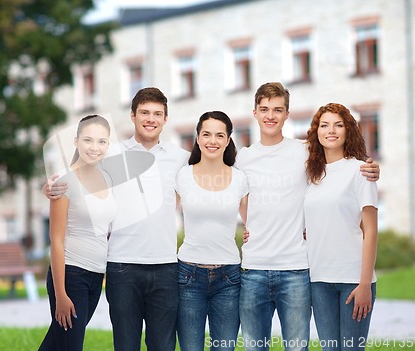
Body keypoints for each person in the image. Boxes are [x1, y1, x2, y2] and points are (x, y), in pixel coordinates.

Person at [236, 82, 379, 351]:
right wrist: (249, 222)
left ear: (287, 114)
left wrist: (372, 167)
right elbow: (232, 191)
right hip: (262, 269)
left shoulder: (305, 153)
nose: (270, 115)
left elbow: (343, 165)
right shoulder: (243, 158)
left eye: (278, 109)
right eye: (264, 109)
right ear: (254, 112)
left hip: (297, 269)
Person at [45, 87, 190, 351]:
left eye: (158, 114)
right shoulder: (109, 152)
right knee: (125, 345)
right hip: (122, 267)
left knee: (164, 345)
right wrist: (51, 186)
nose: (151, 119)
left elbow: (210, 180)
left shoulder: (180, 158)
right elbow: (75, 173)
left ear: (165, 119)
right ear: (133, 116)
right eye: (144, 112)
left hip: (166, 266)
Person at [38, 115, 117, 351]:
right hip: (71, 276)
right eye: (88, 140)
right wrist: (60, 294)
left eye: (102, 141)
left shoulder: (108, 178)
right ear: (76, 141)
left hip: (95, 276)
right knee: (70, 346)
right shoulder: (64, 182)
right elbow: (56, 239)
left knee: (57, 344)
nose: (95, 147)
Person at [304, 103, 378, 351]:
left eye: (338, 124)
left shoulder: (360, 171)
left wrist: (365, 283)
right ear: (317, 132)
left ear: (348, 130)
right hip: (319, 280)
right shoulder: (311, 176)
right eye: (324, 125)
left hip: (353, 279)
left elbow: (371, 231)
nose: (331, 130)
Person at [175, 111, 248, 351]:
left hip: (229, 277)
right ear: (197, 137)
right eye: (206, 134)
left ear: (228, 140)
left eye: (219, 135)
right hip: (188, 275)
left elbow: (255, 224)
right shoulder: (183, 175)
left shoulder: (239, 179)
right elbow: (163, 219)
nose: (212, 141)